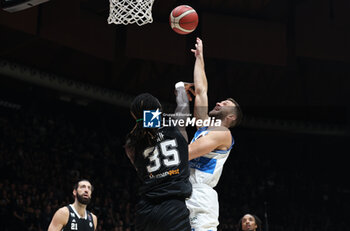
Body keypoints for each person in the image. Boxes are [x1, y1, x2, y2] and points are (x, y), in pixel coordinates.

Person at [185, 37, 243, 231]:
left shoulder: (223, 134)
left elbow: (186, 153)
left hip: (201, 196)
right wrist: (200, 58)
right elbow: (201, 91)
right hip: (183, 191)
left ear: (231, 117)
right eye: (221, 101)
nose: (219, 102)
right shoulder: (204, 127)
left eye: (225, 104)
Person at [124, 82, 193, 231]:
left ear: (134, 115)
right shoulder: (175, 126)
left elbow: (140, 171)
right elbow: (183, 106)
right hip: (173, 207)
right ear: (159, 109)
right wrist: (180, 88)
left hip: (145, 210)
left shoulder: (131, 143)